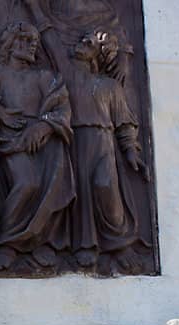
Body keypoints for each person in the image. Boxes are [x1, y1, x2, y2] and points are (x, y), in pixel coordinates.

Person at [0, 20, 73, 268]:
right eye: (25, 40)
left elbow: (61, 105)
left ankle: (38, 241)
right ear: (10, 43)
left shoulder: (44, 77)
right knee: (27, 183)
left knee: (52, 183)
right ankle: (7, 242)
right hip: (9, 137)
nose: (31, 45)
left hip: (44, 138)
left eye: (34, 41)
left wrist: (44, 126)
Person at [61, 28, 147, 268]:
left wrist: (131, 151)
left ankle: (120, 243)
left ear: (98, 56)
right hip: (75, 139)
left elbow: (124, 122)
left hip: (103, 141)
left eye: (88, 43)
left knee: (105, 185)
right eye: (81, 40)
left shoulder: (110, 87)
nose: (81, 44)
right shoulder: (67, 77)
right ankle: (85, 245)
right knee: (80, 192)